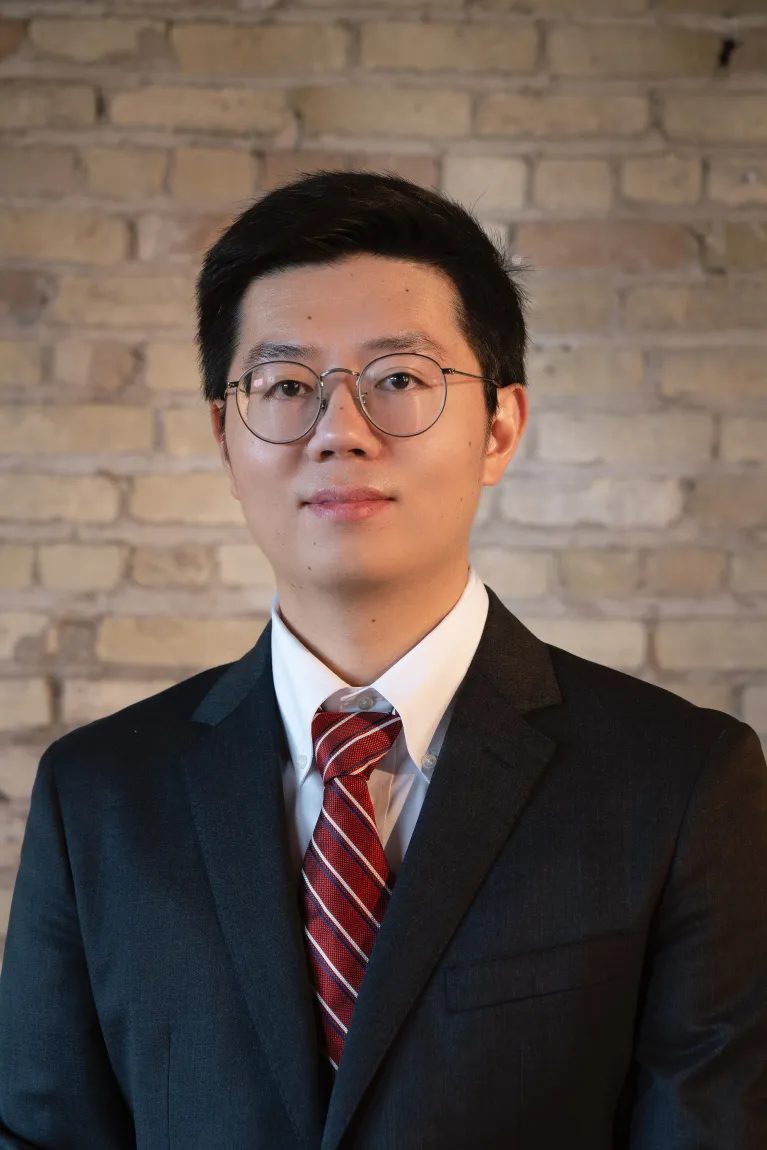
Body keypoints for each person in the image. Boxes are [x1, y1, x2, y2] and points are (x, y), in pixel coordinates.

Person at [0, 171, 765, 1150]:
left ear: (498, 428)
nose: (339, 432)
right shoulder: (98, 795)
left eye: (398, 379)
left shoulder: (678, 782)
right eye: (284, 386)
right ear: (224, 437)